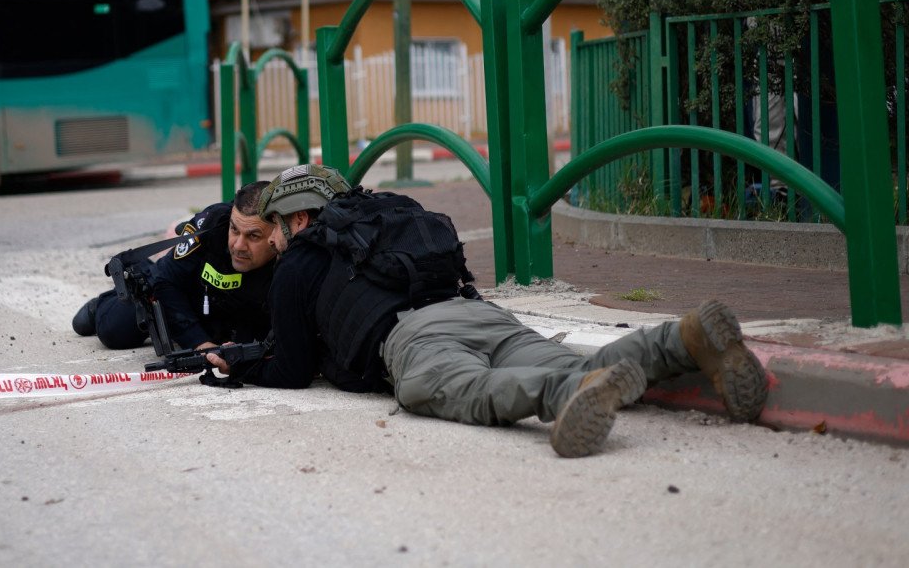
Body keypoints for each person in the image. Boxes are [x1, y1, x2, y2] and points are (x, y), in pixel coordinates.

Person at [211, 164, 769, 458]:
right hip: (476, 312)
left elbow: (290, 370)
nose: (275, 239)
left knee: (464, 389)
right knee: (575, 361)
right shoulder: (386, 218)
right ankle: (681, 340)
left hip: (412, 340)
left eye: (276, 226)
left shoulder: (299, 261)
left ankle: (564, 398)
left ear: (299, 220)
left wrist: (238, 362)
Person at [72, 181, 277, 351]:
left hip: (229, 313)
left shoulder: (291, 252)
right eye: (234, 230)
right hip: (184, 296)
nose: (238, 245)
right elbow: (166, 282)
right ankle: (120, 288)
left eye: (254, 236)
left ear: (277, 234)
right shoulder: (212, 222)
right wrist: (198, 343)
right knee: (114, 332)